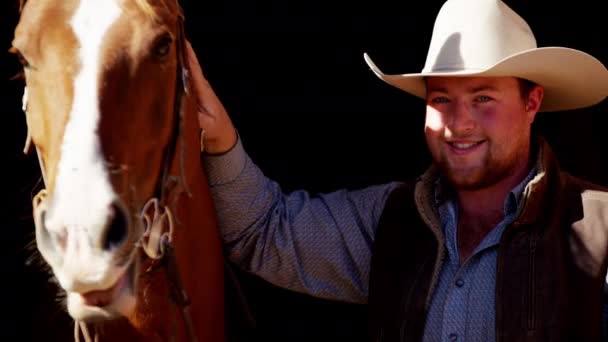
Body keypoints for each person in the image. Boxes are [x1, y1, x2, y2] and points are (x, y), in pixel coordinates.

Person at [187, 0, 608, 340]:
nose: (458, 123)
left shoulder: (600, 230)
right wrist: (221, 139)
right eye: (441, 99)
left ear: (531, 103)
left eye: (483, 99)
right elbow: (263, 232)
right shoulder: (392, 221)